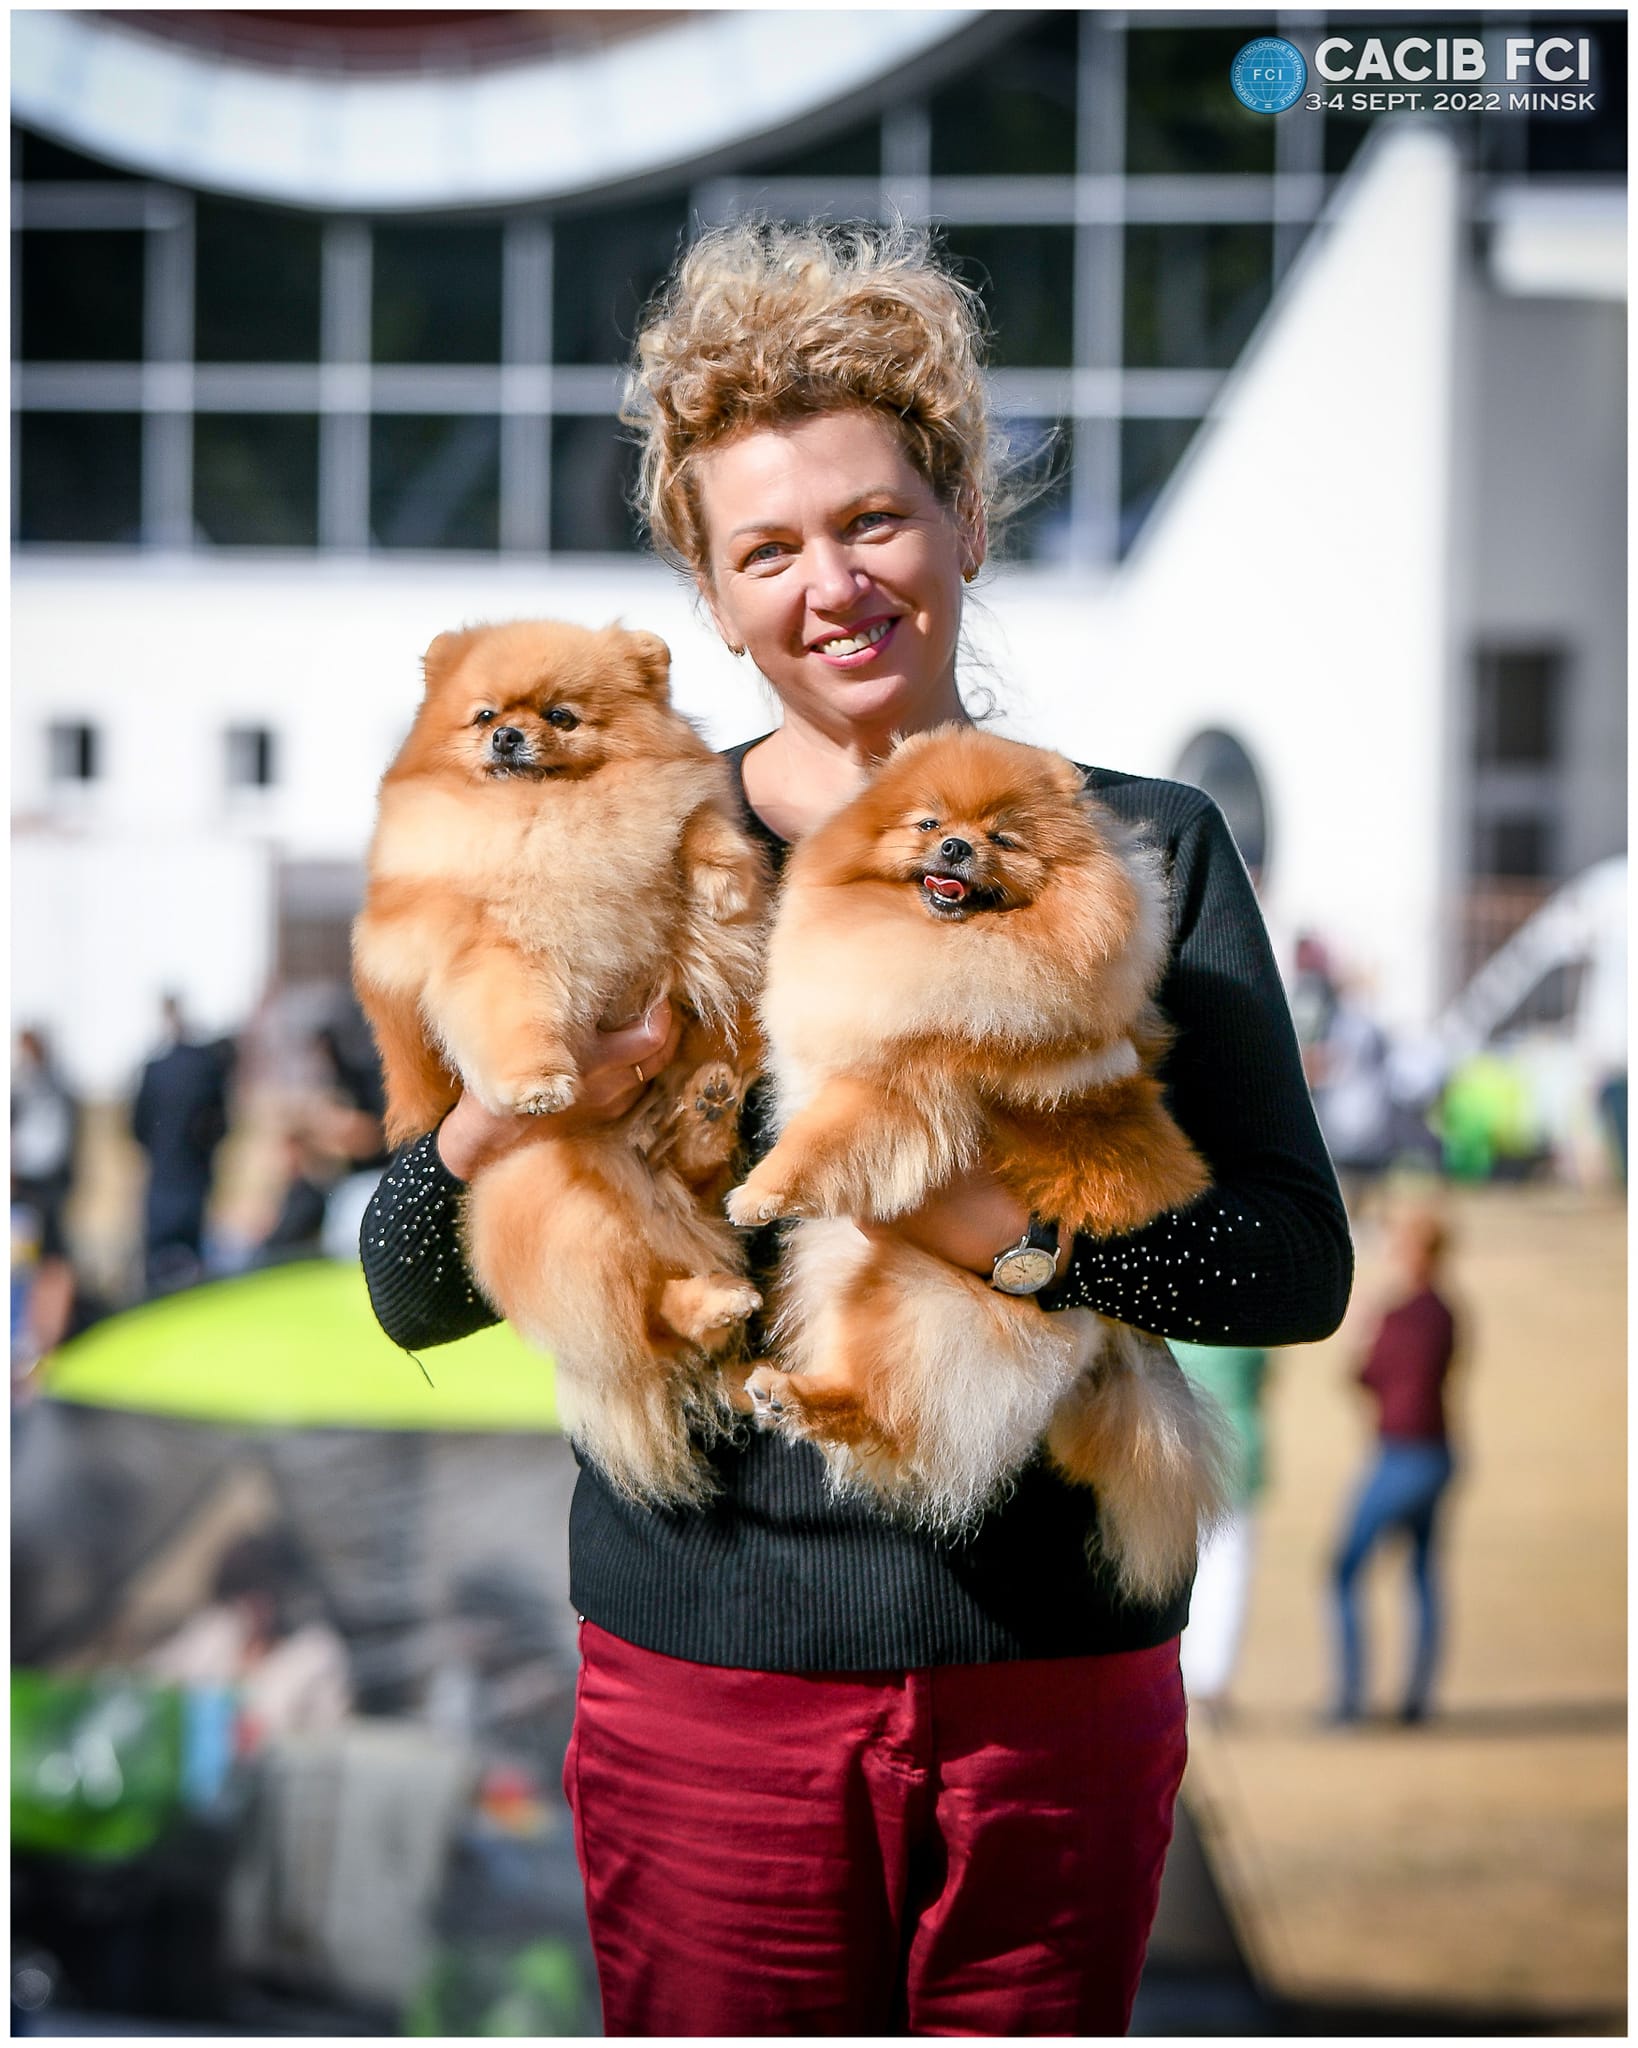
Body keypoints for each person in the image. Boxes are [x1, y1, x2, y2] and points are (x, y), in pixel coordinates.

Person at [360, 220, 1352, 2036]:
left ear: (962, 520)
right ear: (710, 589)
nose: (832, 583)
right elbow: (408, 1284)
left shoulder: (1142, 848)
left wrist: (1015, 1235)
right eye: (768, 549)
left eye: (873, 519)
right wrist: (510, 1114)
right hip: (707, 1692)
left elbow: (1290, 1269)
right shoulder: (613, 858)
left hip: (1053, 1695)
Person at [1328, 1206, 1459, 1726]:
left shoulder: (1405, 1316)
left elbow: (1369, 1377)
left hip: (1403, 1455)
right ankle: (1416, 1701)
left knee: (1344, 1570)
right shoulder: (1447, 1312)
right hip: (1437, 1453)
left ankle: (1350, 1702)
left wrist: (1366, 1333)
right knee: (1422, 1572)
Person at [1171, 1340, 1272, 1718]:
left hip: (1183, 1450)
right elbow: (1261, 1376)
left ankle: (1187, 1672)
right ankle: (1209, 1679)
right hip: (1233, 1451)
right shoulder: (1246, 1334)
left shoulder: (1176, 1331)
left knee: (1183, 1568)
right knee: (1228, 1572)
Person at [131, 995, 235, 1294]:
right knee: (193, 1273)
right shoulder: (205, 1068)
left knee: (157, 1272)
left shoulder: (155, 1069)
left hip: (162, 1182)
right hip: (194, 1181)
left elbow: (138, 1127)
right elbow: (220, 1125)